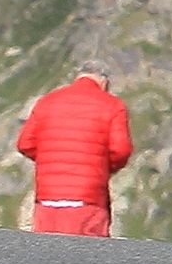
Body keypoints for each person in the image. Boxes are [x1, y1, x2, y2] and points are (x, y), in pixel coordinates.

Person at [15, 70, 132, 236]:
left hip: (48, 197)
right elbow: (121, 151)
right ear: (104, 82)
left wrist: (51, 159)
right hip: (88, 199)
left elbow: (25, 144)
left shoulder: (47, 101)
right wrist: (102, 167)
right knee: (88, 256)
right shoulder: (112, 105)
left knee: (45, 256)